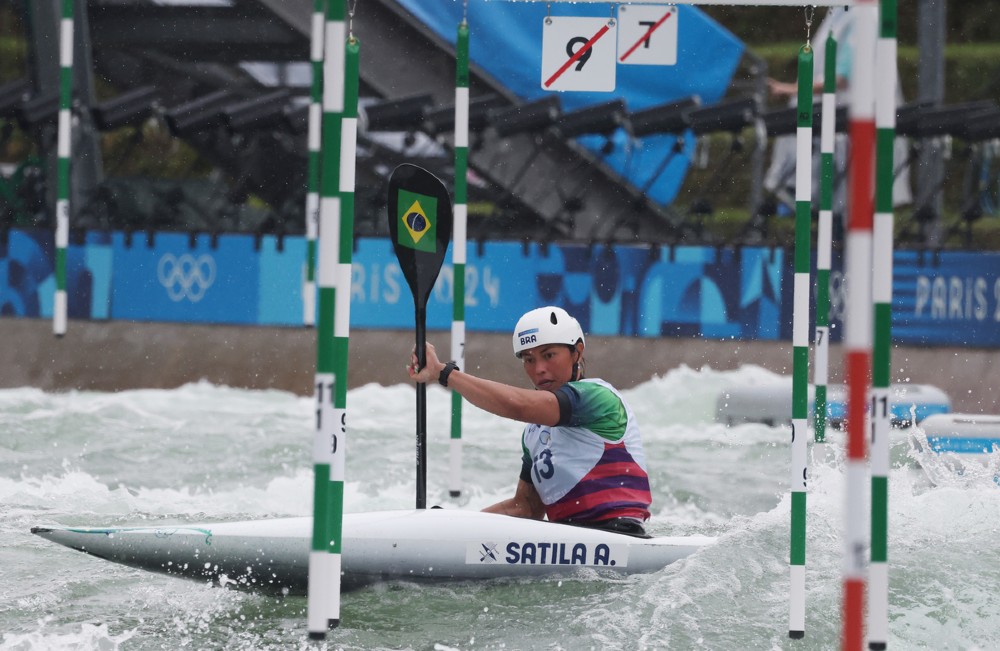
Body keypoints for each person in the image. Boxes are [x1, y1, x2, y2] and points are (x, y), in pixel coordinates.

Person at [406, 306, 652, 538]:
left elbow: (518, 406)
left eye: (549, 355)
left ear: (577, 352)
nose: (539, 369)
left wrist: (444, 373)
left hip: (620, 536)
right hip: (570, 542)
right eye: (529, 359)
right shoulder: (533, 434)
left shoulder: (597, 396)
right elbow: (525, 508)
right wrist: (456, 526)